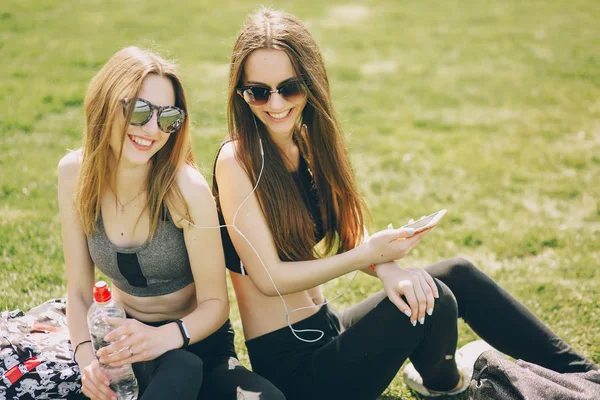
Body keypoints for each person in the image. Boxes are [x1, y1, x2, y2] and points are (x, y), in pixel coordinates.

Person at [212, 8, 598, 400]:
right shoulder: (236, 160)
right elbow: (269, 278)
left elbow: (347, 232)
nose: (275, 104)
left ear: (311, 83)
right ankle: (448, 387)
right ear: (241, 93)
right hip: (295, 371)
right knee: (434, 297)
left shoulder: (306, 140)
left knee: (454, 274)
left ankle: (585, 374)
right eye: (259, 91)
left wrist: (388, 266)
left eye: (289, 88)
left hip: (329, 326)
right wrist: (371, 256)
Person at [58, 46, 284, 400]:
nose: (152, 130)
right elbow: (78, 291)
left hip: (197, 342)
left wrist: (163, 338)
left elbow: (215, 304)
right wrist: (87, 359)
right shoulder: (75, 174)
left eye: (168, 118)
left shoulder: (186, 190)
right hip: (125, 346)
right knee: (175, 372)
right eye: (141, 111)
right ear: (107, 103)